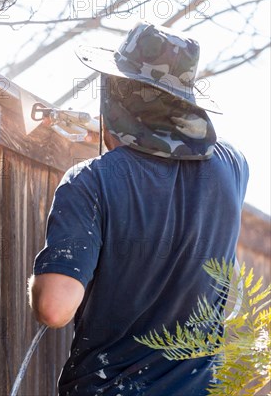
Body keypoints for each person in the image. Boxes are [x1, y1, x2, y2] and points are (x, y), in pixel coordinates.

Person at [27, 22, 249, 396]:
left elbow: (54, 308)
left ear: (115, 94)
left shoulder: (89, 182)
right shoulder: (234, 167)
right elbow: (177, 157)